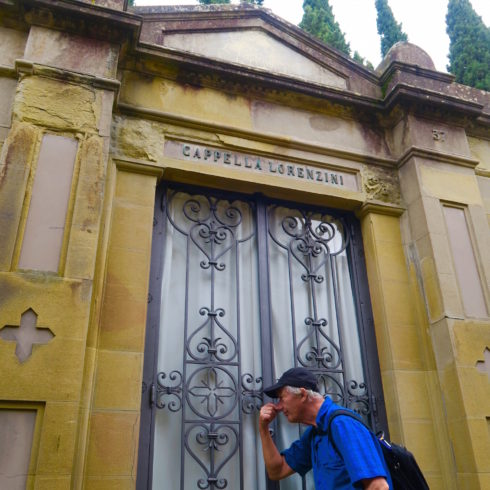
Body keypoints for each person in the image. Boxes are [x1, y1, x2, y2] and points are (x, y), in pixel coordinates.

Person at [259, 367, 391, 490]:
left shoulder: (342, 424)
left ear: (303, 395)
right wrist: (263, 429)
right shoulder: (314, 432)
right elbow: (277, 471)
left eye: (282, 398)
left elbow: (378, 486)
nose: (279, 407)